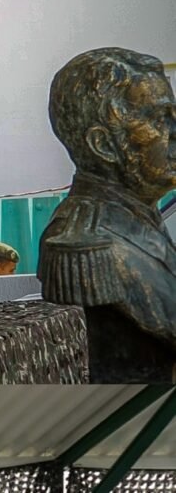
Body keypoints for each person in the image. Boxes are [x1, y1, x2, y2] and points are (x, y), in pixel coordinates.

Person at [39, 47, 176, 383]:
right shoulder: (88, 245)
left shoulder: (139, 219)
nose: (174, 130)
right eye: (159, 118)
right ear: (103, 145)